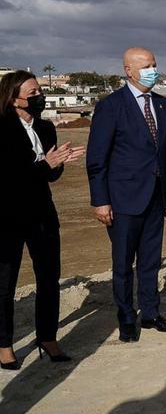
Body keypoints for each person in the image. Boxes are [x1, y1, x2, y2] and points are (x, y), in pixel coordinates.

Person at [86, 47, 166, 342]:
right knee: (124, 263)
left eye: (155, 64)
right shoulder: (111, 106)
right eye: (146, 65)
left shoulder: (162, 105)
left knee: (151, 260)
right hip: (123, 199)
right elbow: (97, 158)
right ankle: (127, 318)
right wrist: (100, 200)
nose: (153, 70)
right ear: (128, 70)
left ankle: (151, 313)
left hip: (155, 196)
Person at [0, 70, 84, 369]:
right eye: (33, 93)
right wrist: (43, 164)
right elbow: (8, 177)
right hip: (7, 217)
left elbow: (49, 176)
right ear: (13, 98)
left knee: (49, 278)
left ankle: (47, 337)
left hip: (42, 215)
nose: (39, 97)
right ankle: (4, 344)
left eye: (39, 92)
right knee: (5, 283)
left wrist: (59, 162)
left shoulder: (46, 128)